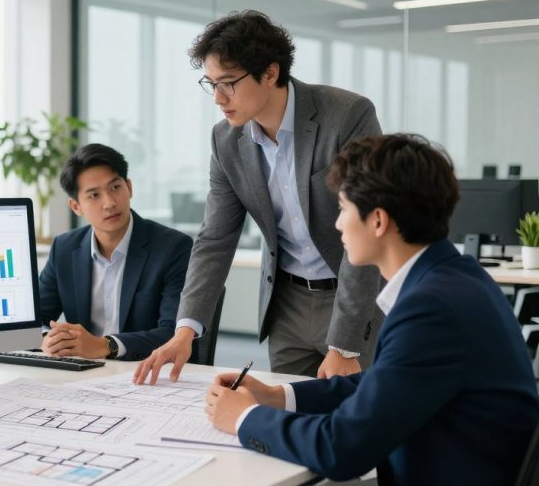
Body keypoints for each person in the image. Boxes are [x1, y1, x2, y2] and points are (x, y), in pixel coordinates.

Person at [205, 134, 539, 485]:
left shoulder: (432, 308)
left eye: (343, 209)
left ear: (378, 221)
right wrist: (278, 396)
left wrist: (245, 418)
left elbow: (343, 448)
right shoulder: (455, 276)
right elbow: (384, 385)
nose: (337, 225)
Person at [136, 10, 383, 381]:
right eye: (211, 83)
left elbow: (368, 227)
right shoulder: (226, 141)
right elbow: (215, 239)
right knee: (288, 417)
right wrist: (185, 330)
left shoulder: (346, 115)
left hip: (352, 298)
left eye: (229, 83)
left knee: (360, 418)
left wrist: (344, 345)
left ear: (270, 73)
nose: (218, 98)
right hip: (287, 304)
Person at [39, 144, 195, 361]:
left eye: (115, 187)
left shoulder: (173, 247)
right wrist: (48, 338)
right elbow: (35, 319)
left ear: (129, 187)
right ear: (76, 206)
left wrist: (105, 345)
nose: (110, 203)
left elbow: (173, 333)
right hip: (82, 375)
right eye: (94, 195)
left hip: (145, 373)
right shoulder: (64, 248)